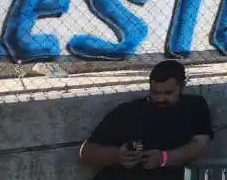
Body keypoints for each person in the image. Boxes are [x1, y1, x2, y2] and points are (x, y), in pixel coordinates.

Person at [79, 60, 213, 178]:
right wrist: (118, 156)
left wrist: (163, 158)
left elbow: (199, 145)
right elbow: (86, 152)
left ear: (182, 86)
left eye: (168, 93)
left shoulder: (194, 107)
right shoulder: (128, 112)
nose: (161, 99)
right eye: (155, 93)